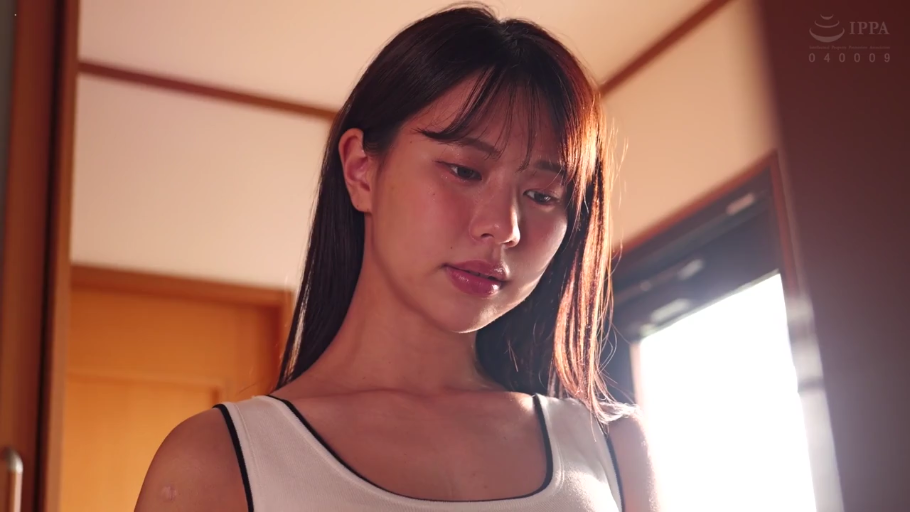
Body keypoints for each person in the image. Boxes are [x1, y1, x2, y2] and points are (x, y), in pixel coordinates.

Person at [136, 5, 658, 511]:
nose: (504, 227)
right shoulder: (218, 461)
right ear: (361, 171)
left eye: (542, 195)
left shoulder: (612, 449)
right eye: (465, 171)